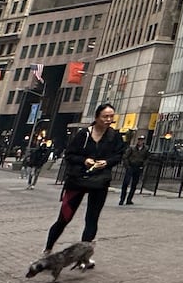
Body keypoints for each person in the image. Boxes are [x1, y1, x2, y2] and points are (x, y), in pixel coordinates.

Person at [42, 105, 126, 261]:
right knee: (65, 217)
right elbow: (70, 155)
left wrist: (106, 163)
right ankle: (47, 249)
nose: (108, 120)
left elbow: (118, 156)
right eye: (105, 116)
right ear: (96, 117)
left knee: (92, 219)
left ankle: (83, 256)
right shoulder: (83, 135)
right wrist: (84, 160)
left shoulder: (114, 136)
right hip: (78, 180)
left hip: (100, 181)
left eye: (111, 116)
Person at [118, 136, 149, 205]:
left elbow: (147, 158)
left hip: (138, 167)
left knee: (134, 184)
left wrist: (143, 165)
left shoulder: (146, 149)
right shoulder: (132, 148)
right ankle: (122, 199)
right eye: (139, 140)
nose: (140, 141)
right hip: (131, 166)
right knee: (126, 183)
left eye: (142, 140)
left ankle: (129, 199)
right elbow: (125, 157)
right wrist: (127, 166)